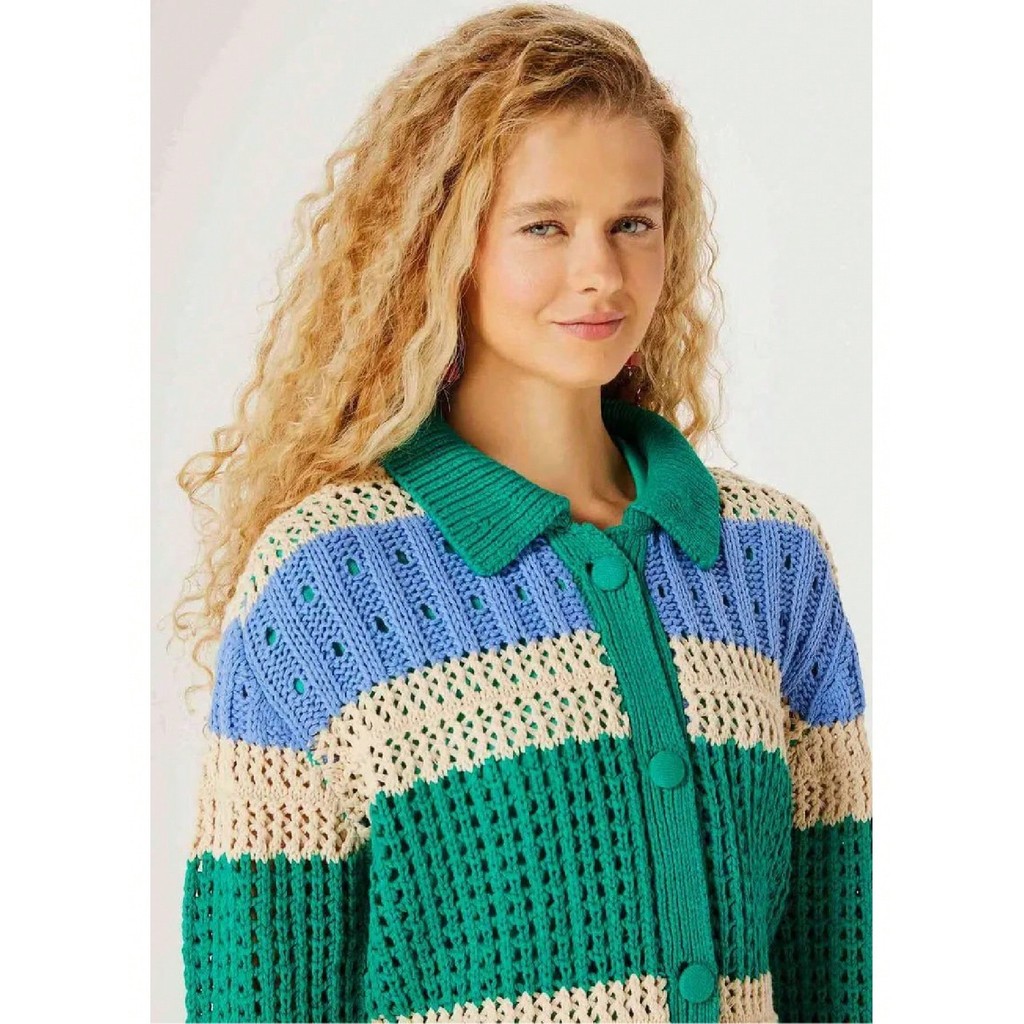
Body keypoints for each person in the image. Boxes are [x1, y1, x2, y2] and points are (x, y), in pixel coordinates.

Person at [172, 4, 872, 1022]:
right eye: (545, 225)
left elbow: (836, 966)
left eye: (633, 223)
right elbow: (259, 995)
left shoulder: (770, 561)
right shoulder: (325, 585)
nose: (601, 273)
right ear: (442, 244)